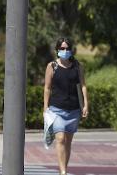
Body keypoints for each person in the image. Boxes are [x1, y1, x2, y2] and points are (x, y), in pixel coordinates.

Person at [43, 37, 89, 175]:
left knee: (68, 141)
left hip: (74, 110)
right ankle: (63, 172)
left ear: (71, 50)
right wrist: (45, 107)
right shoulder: (52, 66)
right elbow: (47, 88)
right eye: (62, 48)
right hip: (56, 109)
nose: (65, 51)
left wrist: (86, 104)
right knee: (60, 138)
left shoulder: (77, 66)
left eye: (67, 48)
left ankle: (64, 169)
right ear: (57, 50)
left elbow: (83, 86)